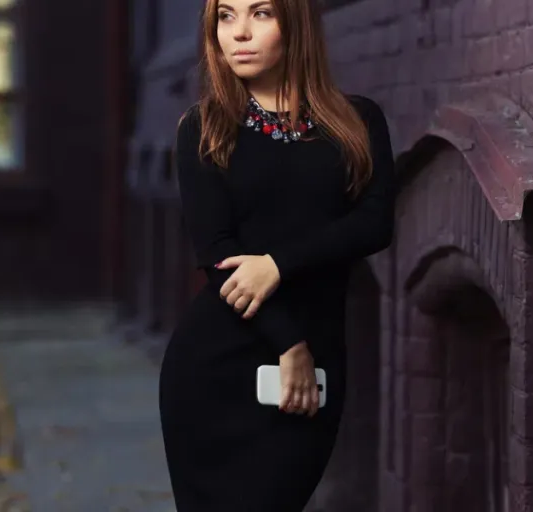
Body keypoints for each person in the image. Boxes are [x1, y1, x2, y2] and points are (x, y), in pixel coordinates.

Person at [158, 0, 395, 509]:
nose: (238, 33)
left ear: (296, 23)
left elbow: (374, 225)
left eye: (260, 13)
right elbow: (217, 252)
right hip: (216, 368)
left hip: (318, 358)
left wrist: (277, 264)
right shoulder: (203, 128)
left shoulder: (357, 121)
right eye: (226, 16)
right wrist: (290, 346)